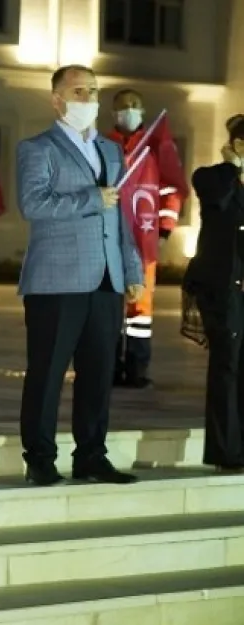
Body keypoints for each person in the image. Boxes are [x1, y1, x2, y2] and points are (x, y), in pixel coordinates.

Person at [16, 65, 144, 487]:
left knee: (99, 372)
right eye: (78, 91)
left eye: (92, 91)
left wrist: (131, 268)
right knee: (48, 373)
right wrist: (91, 198)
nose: (87, 99)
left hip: (105, 278)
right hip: (57, 280)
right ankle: (40, 457)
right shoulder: (37, 149)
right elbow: (33, 204)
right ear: (57, 99)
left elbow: (121, 214)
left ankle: (91, 455)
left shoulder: (110, 150)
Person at [106, 89, 183, 388]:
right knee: (110, 306)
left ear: (143, 109)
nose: (129, 111)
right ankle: (109, 368)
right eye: (123, 107)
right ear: (113, 113)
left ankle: (137, 369)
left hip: (144, 239)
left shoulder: (155, 146)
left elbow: (171, 188)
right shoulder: (102, 144)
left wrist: (164, 228)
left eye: (134, 106)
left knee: (140, 310)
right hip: (109, 239)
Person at [181, 120, 244, 474]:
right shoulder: (213, 177)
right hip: (221, 288)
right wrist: (232, 165)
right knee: (227, 365)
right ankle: (226, 451)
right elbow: (216, 198)